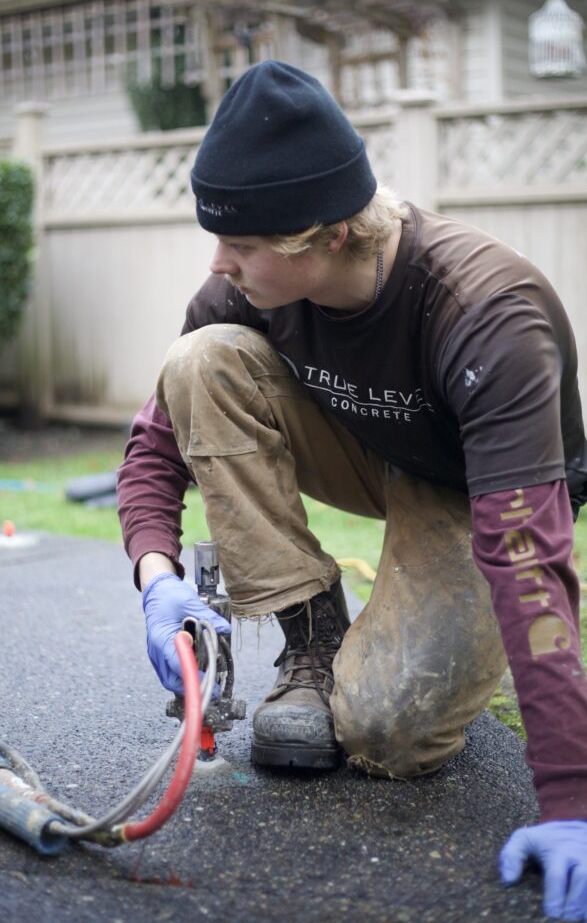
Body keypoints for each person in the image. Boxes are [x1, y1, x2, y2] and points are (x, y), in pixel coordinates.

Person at [117, 60, 587, 920]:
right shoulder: (240, 291)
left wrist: (572, 800)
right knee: (200, 360)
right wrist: (157, 577)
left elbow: (528, 561)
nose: (220, 262)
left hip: (463, 485)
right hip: (359, 445)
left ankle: (391, 656)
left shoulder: (486, 311)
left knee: (388, 735)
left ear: (329, 234)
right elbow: (156, 440)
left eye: (246, 244)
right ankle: (310, 636)